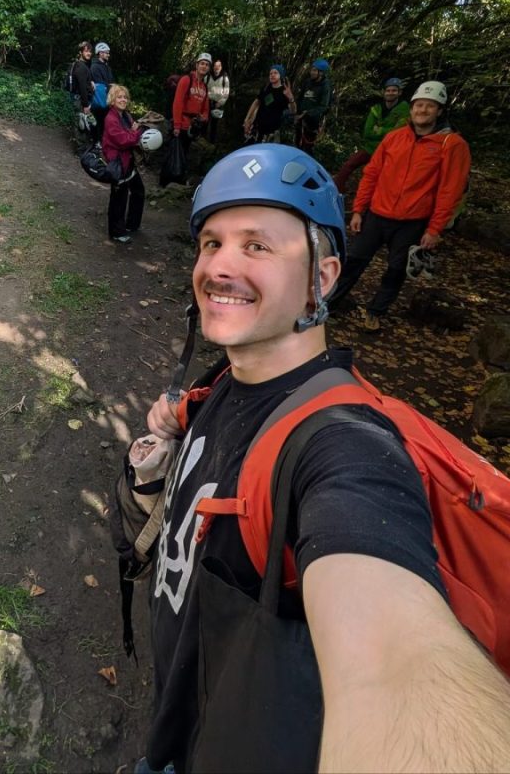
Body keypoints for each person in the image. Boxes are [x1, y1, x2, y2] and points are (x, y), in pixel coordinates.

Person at [137, 143, 510, 774]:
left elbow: (395, 661)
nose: (219, 266)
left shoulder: (345, 447)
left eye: (258, 246)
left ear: (324, 277)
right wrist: (177, 422)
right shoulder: (228, 379)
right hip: (181, 706)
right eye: (211, 243)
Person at [330, 80, 471, 332]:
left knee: (396, 270)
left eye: (430, 106)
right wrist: (359, 210)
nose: (422, 110)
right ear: (412, 108)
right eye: (419, 105)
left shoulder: (452, 145)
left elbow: (450, 191)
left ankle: (375, 312)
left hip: (412, 221)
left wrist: (435, 229)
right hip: (377, 214)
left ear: (440, 110)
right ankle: (329, 304)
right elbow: (371, 174)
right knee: (353, 260)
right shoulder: (395, 138)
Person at [333, 77, 410, 194]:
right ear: (384, 92)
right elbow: (367, 132)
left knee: (379, 176)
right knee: (349, 164)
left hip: (389, 150)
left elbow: (398, 133)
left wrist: (379, 130)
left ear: (399, 92)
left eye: (394, 90)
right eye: (388, 90)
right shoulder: (376, 108)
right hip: (370, 147)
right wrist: (386, 132)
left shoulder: (405, 109)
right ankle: (337, 188)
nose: (390, 93)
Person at [101, 85, 145, 244]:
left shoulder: (126, 115)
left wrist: (133, 133)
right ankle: (116, 232)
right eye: (119, 97)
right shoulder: (111, 119)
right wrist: (135, 132)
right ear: (112, 100)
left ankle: (132, 224)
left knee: (138, 190)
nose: (123, 100)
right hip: (118, 163)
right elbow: (123, 140)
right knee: (119, 197)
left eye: (125, 97)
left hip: (128, 160)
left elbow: (131, 135)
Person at [242, 64, 295, 143]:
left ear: (281, 75)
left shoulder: (285, 91)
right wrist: (247, 119)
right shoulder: (266, 87)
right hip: (258, 129)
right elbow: (256, 102)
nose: (272, 75)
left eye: (275, 73)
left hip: (272, 133)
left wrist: (291, 98)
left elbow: (293, 111)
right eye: (270, 73)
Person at [172, 53, 211, 154]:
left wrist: (203, 118)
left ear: (209, 68)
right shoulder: (186, 80)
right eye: (202, 63)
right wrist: (177, 125)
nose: (204, 66)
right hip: (181, 126)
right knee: (177, 155)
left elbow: (206, 109)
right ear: (197, 65)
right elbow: (177, 103)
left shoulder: (204, 87)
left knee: (186, 154)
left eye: (207, 65)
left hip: (194, 127)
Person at [293, 58, 331, 155]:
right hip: (301, 118)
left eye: (314, 70)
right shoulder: (307, 82)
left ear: (321, 73)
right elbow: (300, 98)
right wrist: (297, 113)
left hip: (312, 122)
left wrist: (307, 113)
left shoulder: (325, 87)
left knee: (307, 147)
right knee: (297, 142)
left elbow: (323, 106)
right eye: (312, 70)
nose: (311, 72)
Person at [91, 41, 115, 135]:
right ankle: (97, 141)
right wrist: (110, 86)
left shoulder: (107, 67)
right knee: (99, 122)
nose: (108, 55)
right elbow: (99, 84)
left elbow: (111, 81)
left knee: (106, 122)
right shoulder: (94, 67)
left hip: (108, 99)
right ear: (100, 53)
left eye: (108, 53)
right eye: (106, 53)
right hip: (99, 101)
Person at [205, 59, 230, 143]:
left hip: (217, 104)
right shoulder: (207, 76)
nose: (217, 67)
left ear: (221, 67)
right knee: (204, 122)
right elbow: (203, 88)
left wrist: (221, 102)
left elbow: (226, 93)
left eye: (218, 66)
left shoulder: (225, 78)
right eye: (215, 66)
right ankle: (201, 140)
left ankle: (211, 143)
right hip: (207, 102)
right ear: (213, 67)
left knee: (214, 125)